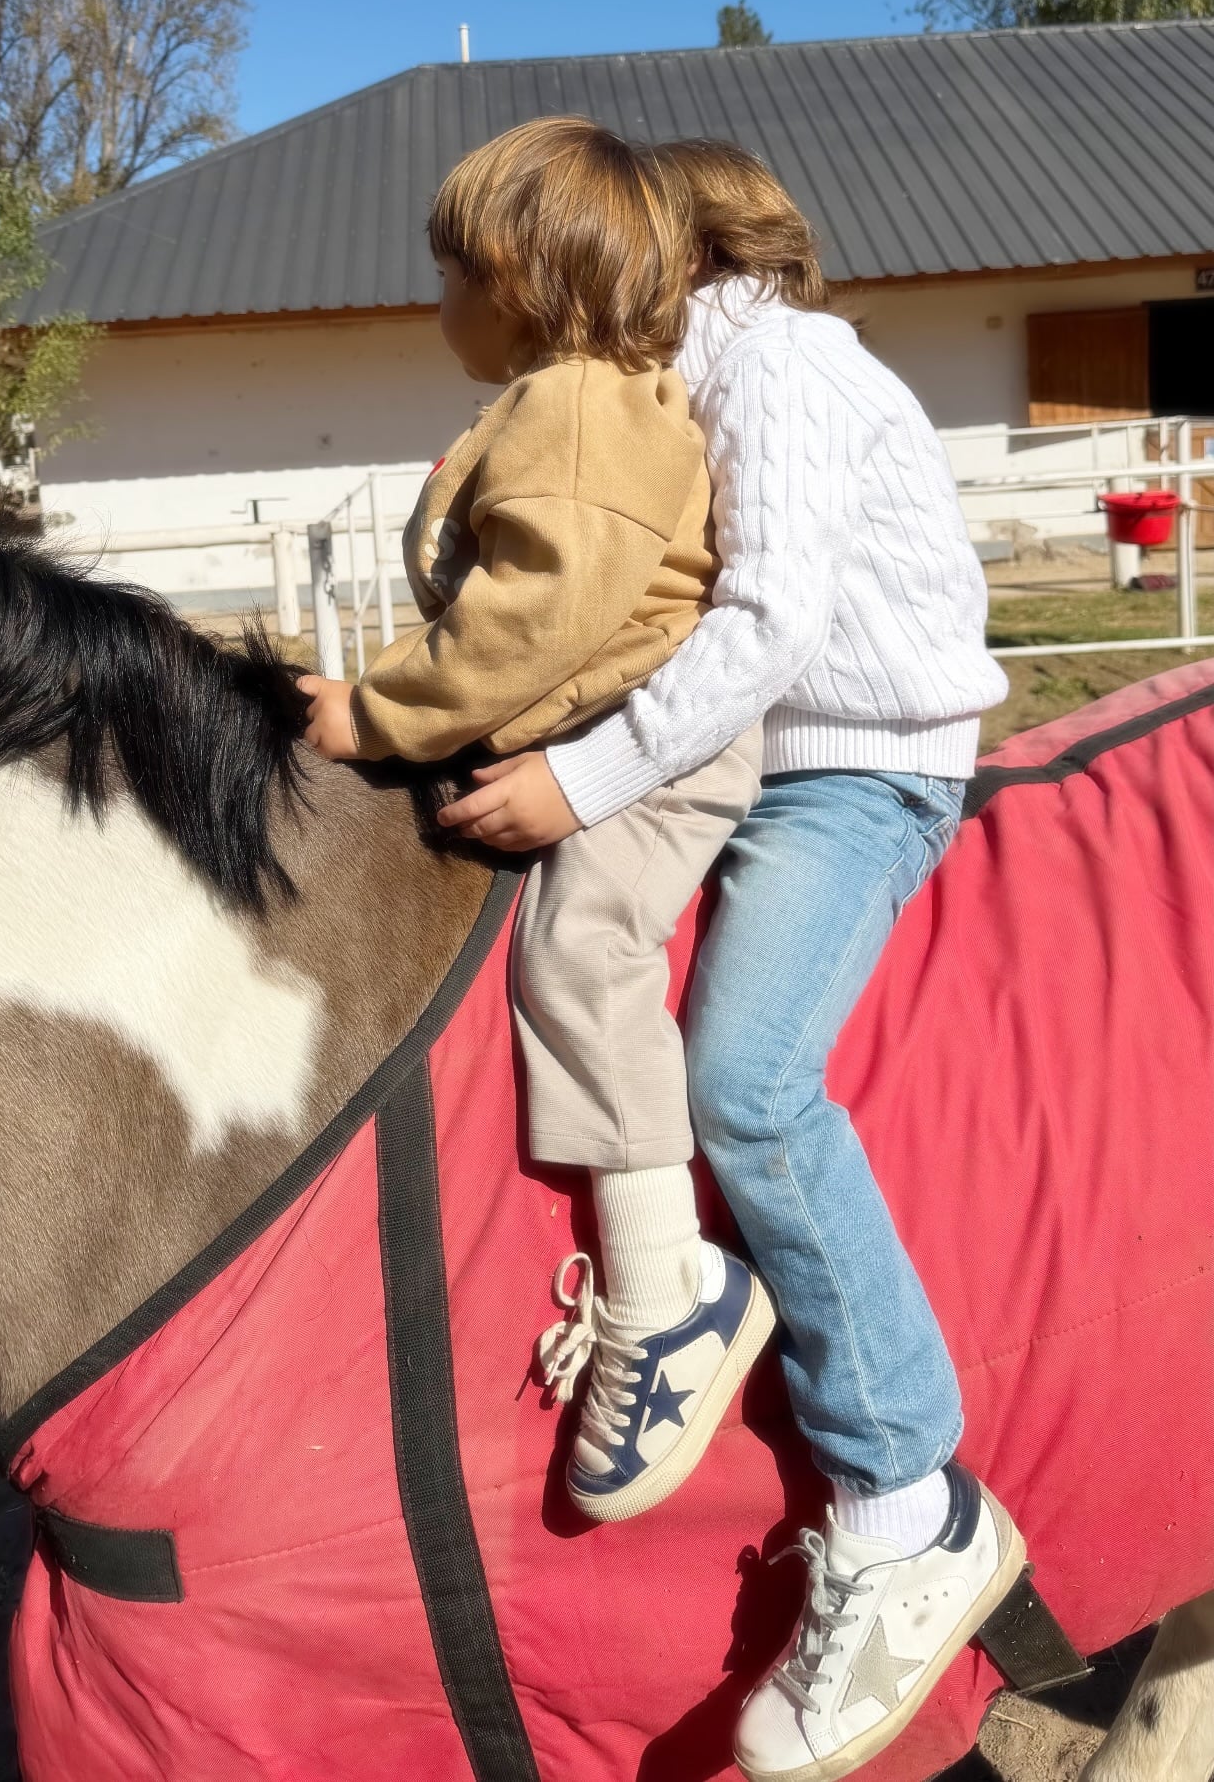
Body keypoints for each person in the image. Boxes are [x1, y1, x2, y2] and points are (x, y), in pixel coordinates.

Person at [436, 139, 1027, 1782]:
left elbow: (762, 624)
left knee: (749, 1080)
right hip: (765, 753)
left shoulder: (776, 367)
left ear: (664, 256)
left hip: (859, 763)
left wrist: (581, 775)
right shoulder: (664, 390)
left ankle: (910, 1499)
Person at [299, 115, 774, 1525]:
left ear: (525, 284)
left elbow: (532, 623)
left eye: (452, 272)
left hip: (655, 751)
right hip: (581, 726)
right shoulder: (556, 401)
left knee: (579, 950)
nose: (433, 299)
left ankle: (664, 1291)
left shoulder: (573, 407)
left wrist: (375, 715)